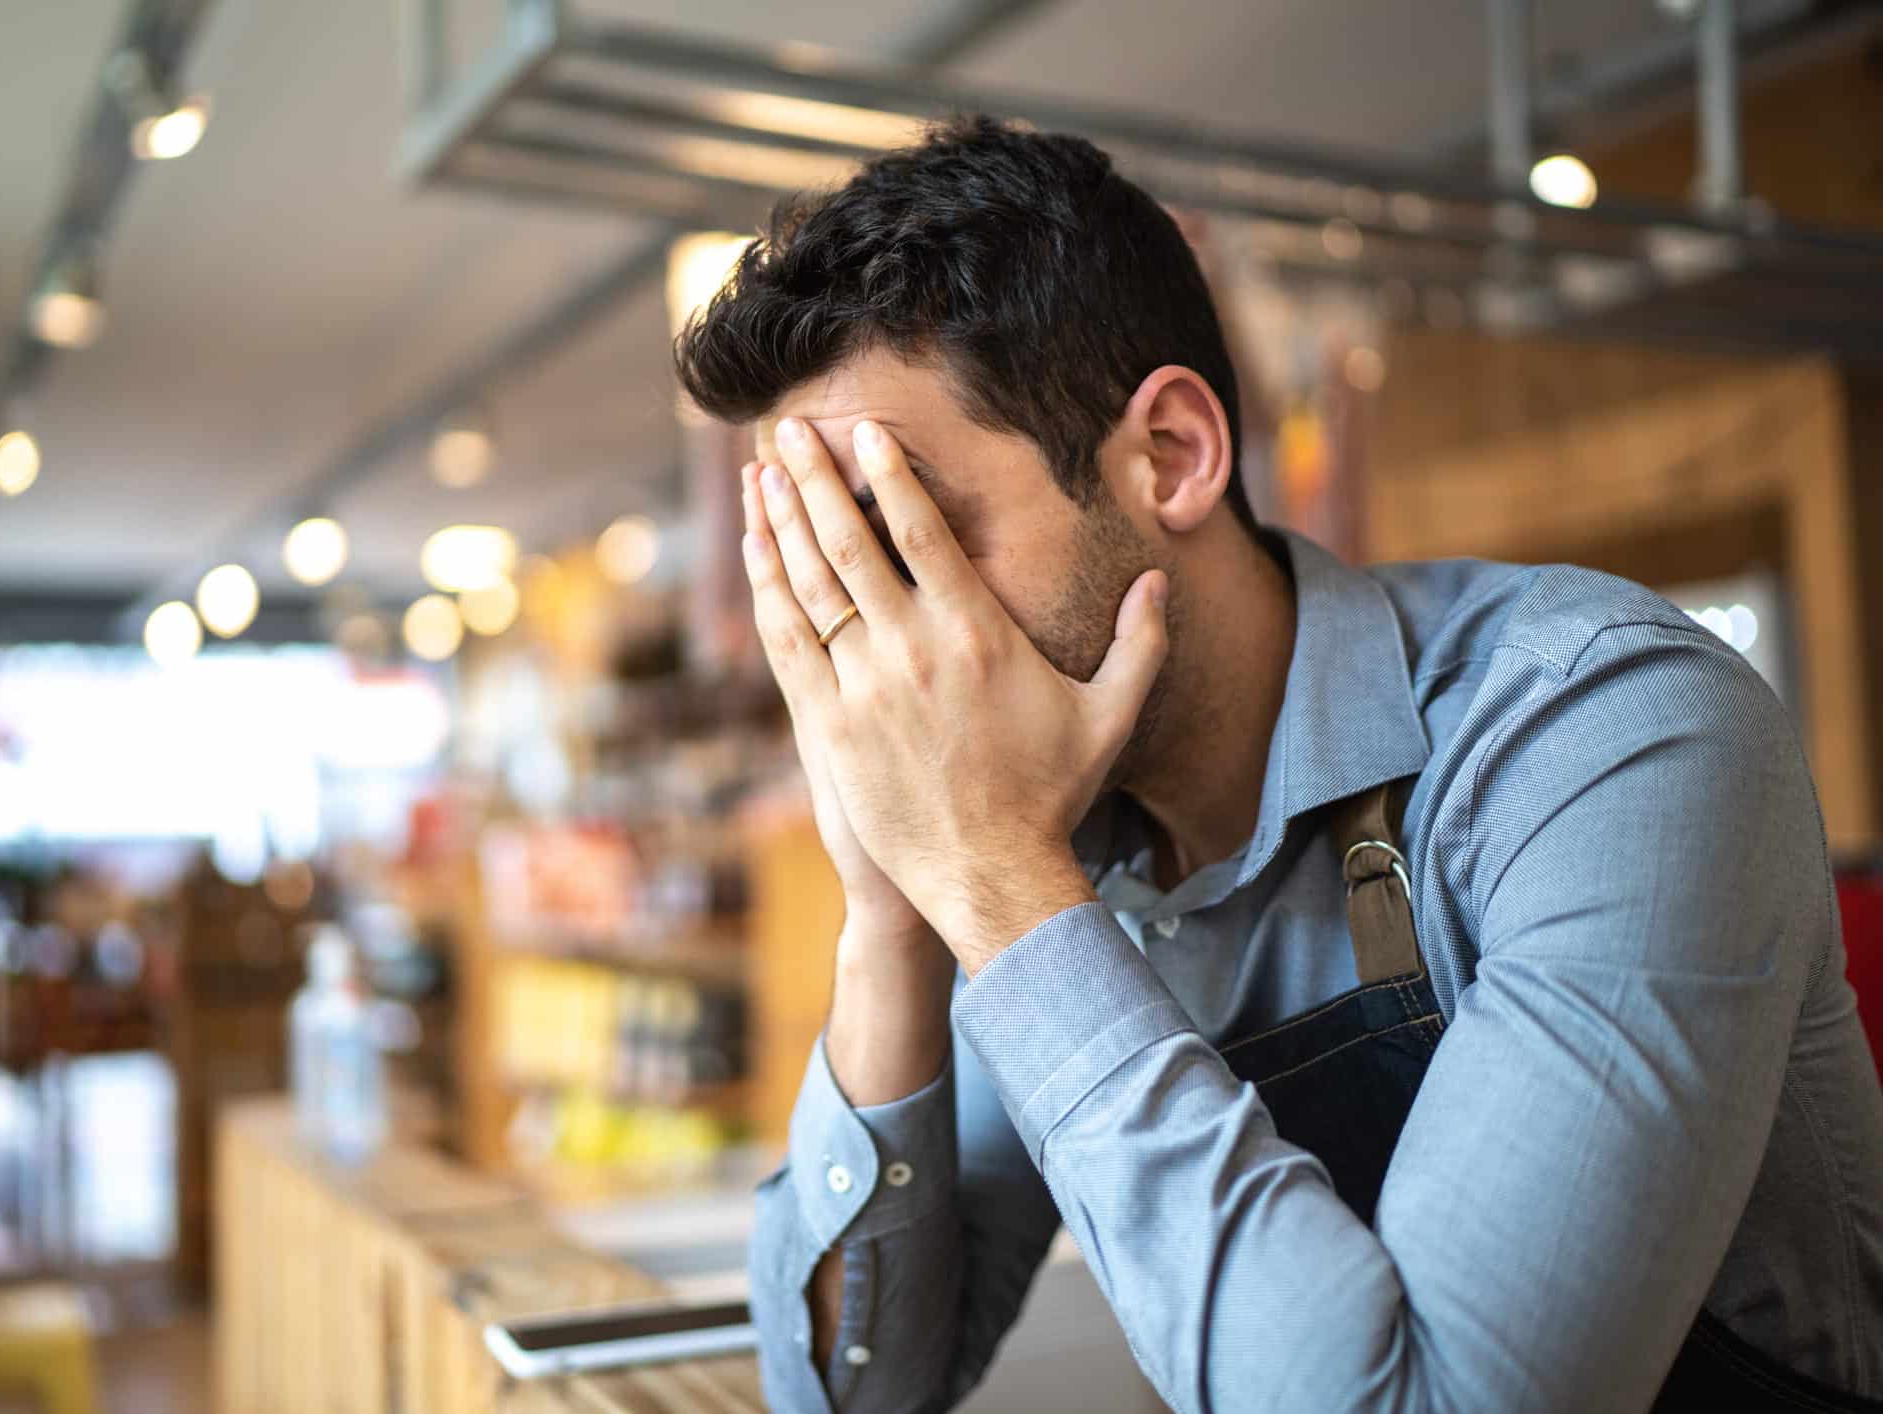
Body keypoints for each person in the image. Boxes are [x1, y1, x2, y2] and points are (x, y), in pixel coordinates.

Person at [672, 116, 1883, 1413]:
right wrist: (891, 915)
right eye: (832, 572)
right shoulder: (1042, 832)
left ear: (1171, 456)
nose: (886, 645)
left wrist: (999, 883)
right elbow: (844, 1395)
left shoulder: (1605, 733)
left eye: (906, 530)